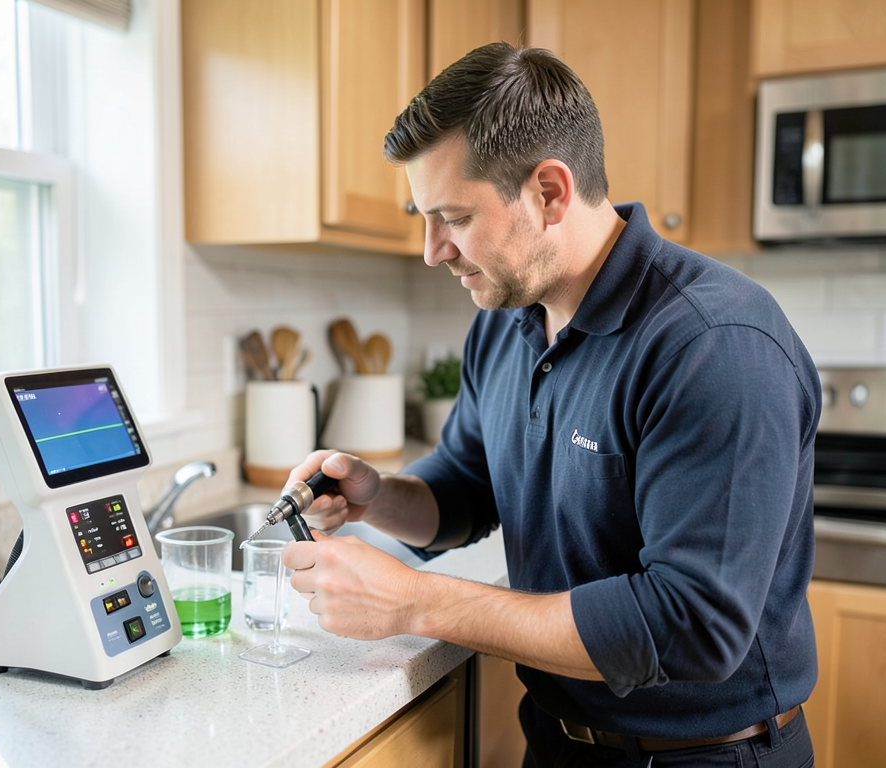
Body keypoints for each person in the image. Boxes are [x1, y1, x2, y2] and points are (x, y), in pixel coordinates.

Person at [283, 42, 820, 767]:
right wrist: (376, 497)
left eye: (453, 217)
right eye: (423, 216)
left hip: (707, 756)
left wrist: (415, 601)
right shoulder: (504, 320)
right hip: (557, 740)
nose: (432, 251)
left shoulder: (712, 343)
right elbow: (466, 488)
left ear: (550, 192)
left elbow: (693, 626)